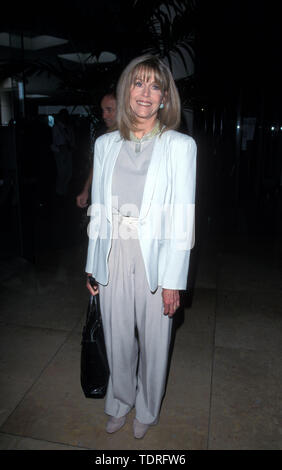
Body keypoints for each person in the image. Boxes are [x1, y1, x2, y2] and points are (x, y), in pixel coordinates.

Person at [85, 55, 197, 439]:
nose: (145, 93)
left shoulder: (179, 146)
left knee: (154, 341)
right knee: (116, 336)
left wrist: (173, 281)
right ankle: (119, 401)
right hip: (114, 250)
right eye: (138, 83)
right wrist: (92, 265)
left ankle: (147, 408)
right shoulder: (105, 144)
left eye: (154, 85)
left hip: (157, 258)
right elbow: (97, 210)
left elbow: (182, 218)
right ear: (127, 90)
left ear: (165, 97)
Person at [76, 93, 116, 208]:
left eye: (109, 110)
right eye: (103, 110)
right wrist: (85, 190)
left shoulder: (134, 137)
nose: (104, 115)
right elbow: (97, 165)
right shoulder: (105, 138)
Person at [51, 108, 75, 196]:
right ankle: (60, 192)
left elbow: (71, 139)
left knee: (69, 173)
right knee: (62, 172)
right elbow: (55, 140)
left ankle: (63, 191)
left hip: (67, 151)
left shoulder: (67, 127)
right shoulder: (56, 127)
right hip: (60, 151)